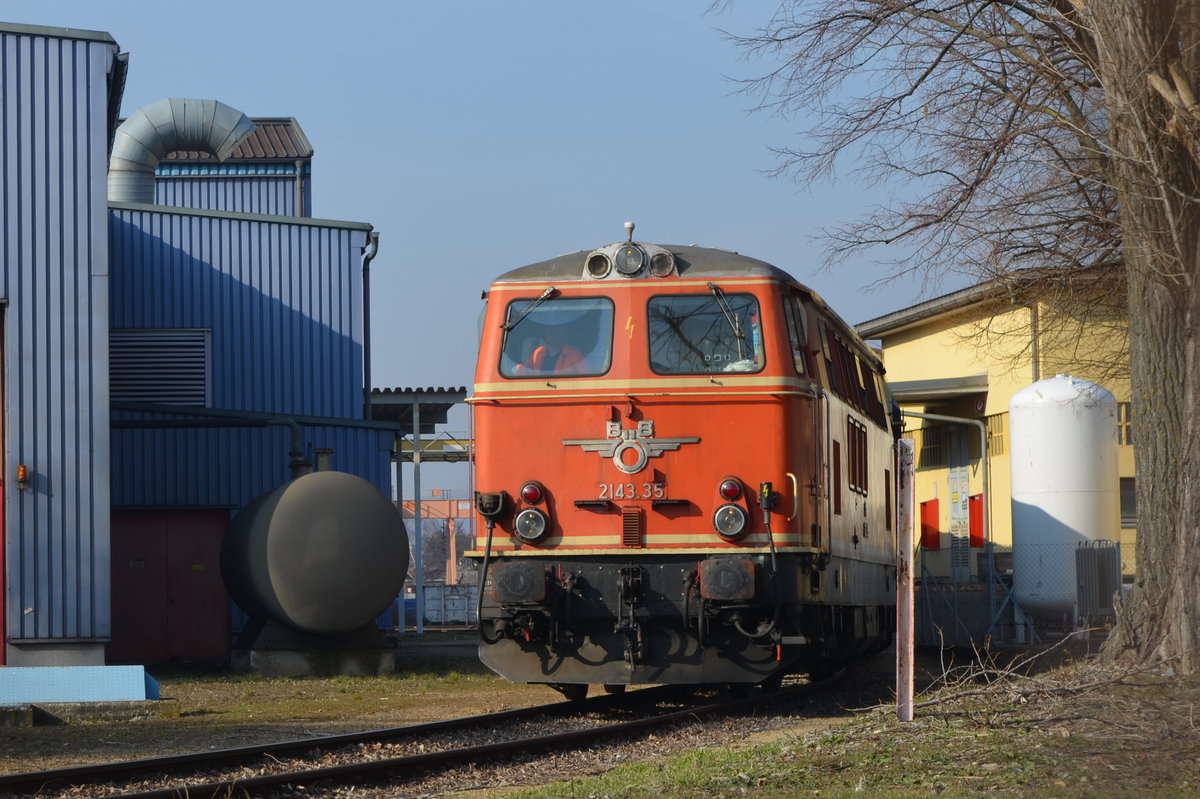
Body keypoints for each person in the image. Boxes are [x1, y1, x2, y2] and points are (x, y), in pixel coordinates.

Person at [516, 325, 588, 375]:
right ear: (546, 334)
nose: (552, 335)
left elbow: (585, 379)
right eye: (550, 332)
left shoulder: (575, 356)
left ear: (563, 335)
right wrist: (514, 369)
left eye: (556, 333)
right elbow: (525, 369)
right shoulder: (538, 352)